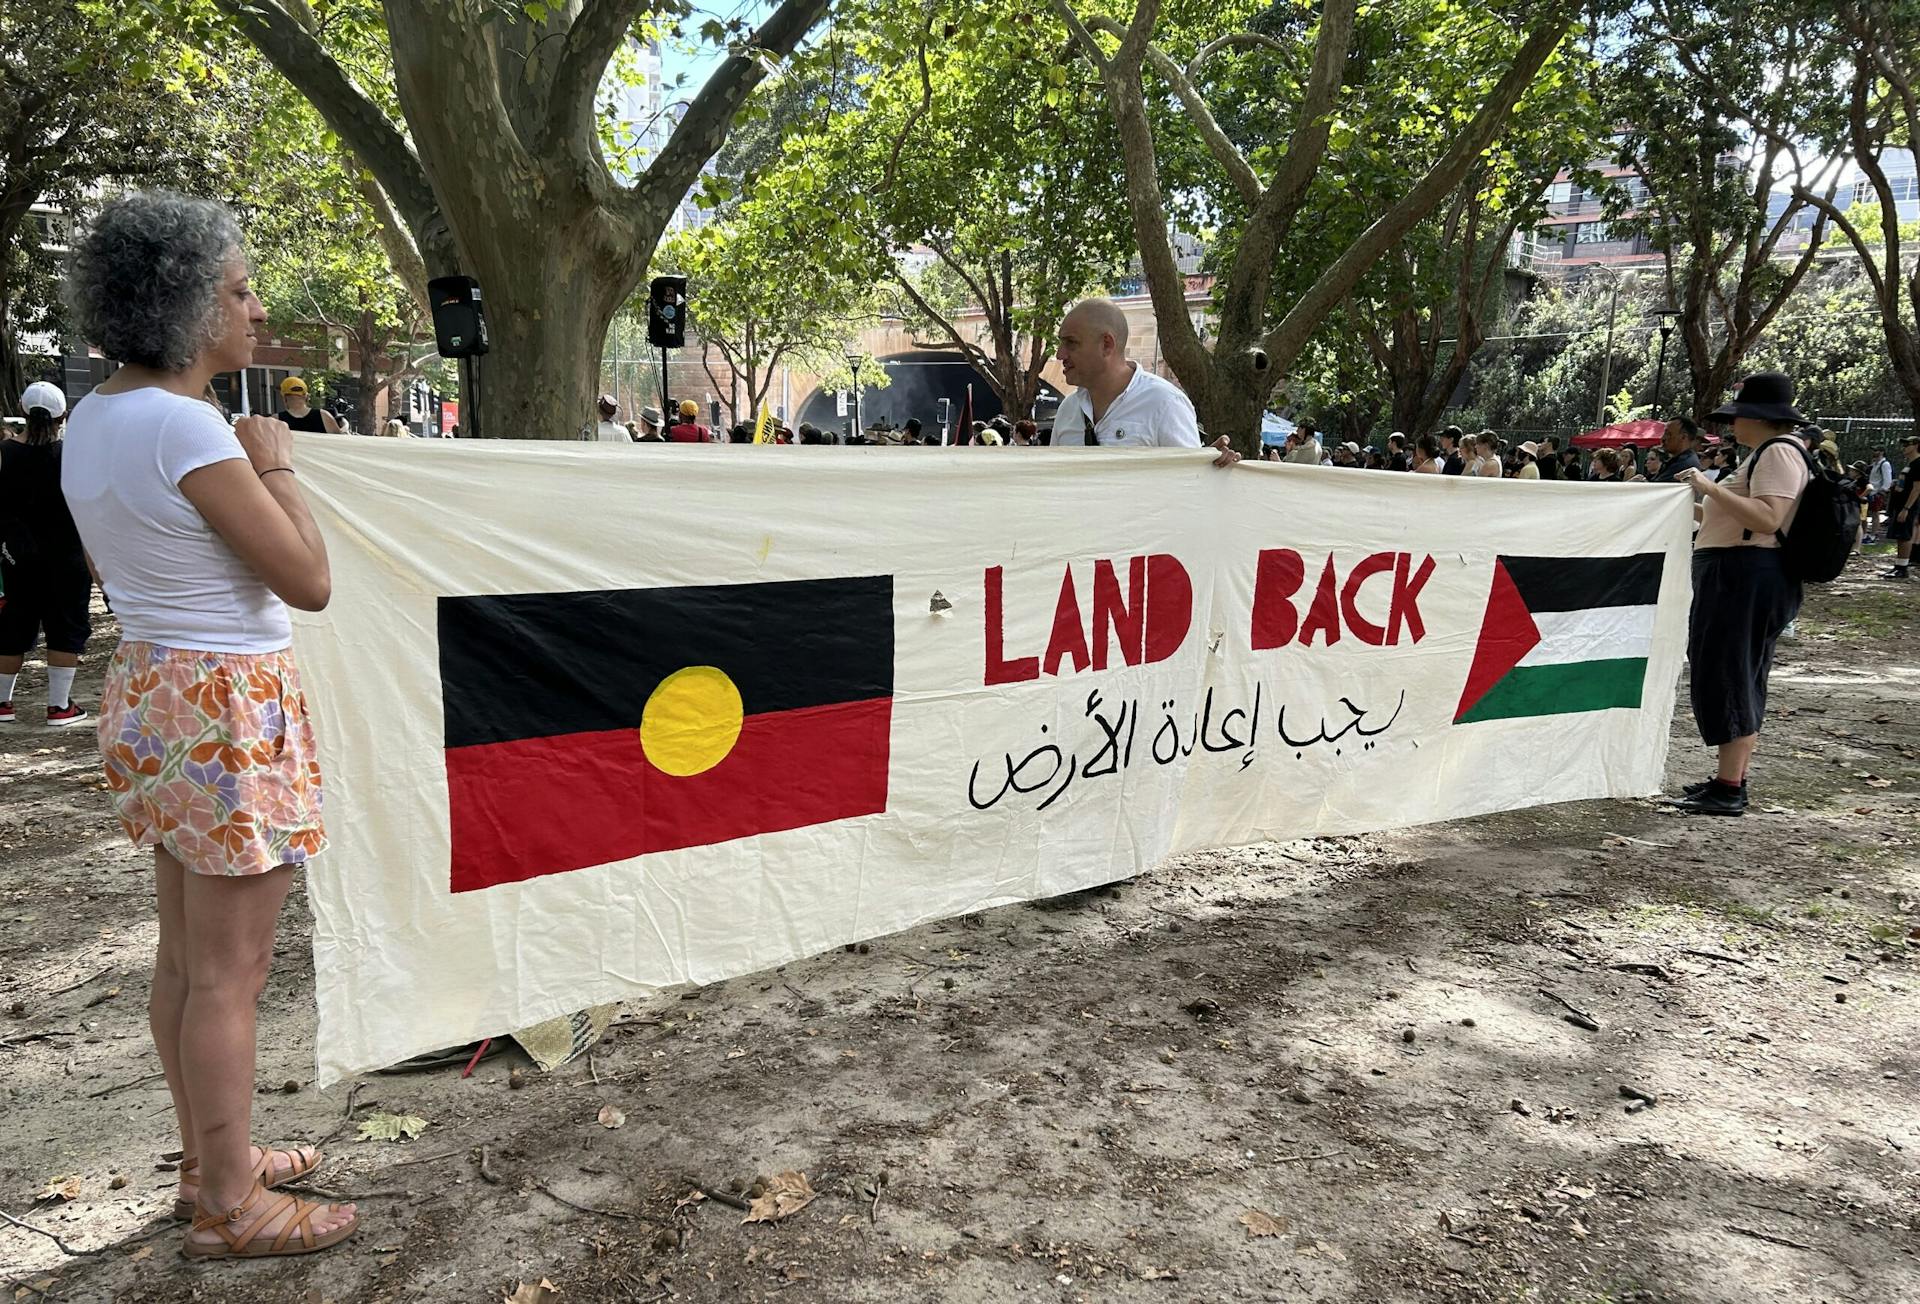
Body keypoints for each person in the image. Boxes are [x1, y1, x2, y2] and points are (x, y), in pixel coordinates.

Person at [60, 190, 358, 1258]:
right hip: (228, 699)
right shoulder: (189, 425)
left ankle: (210, 1158)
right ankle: (232, 1204)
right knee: (231, 971)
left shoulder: (93, 415)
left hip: (151, 685)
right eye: (237, 289)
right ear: (186, 307)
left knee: (186, 960)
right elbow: (308, 577)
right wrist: (274, 462)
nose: (253, 305)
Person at [1672, 372, 1814, 815]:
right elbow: (1730, 516)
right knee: (1735, 670)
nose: (1732, 425)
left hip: (1745, 574)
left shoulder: (1778, 454)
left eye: (1737, 416)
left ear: (1758, 417)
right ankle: (1728, 779)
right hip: (1739, 571)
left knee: (1730, 671)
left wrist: (1707, 486)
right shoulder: (1768, 455)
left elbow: (1769, 518)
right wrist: (1687, 504)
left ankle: (1730, 786)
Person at [0, 381, 93, 726]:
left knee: (11, 627)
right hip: (67, 556)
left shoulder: (4, 453)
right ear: (62, 416)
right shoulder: (73, 455)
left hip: (15, 556)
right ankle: (59, 706)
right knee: (65, 625)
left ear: (23, 412)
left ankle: (2, 704)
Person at [1049, 298, 1235, 465]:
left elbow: (1190, 483)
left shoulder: (1164, 403)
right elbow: (1052, 481)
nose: (1060, 354)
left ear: (1107, 344)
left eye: (1071, 343)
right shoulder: (1068, 409)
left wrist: (1208, 468)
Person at [1882, 435, 1920, 581]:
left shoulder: (1918, 463)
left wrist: (1906, 508)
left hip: (1907, 506)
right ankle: (1898, 566)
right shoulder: (1909, 464)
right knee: (1899, 535)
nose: (1904, 448)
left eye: (1907, 445)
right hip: (1899, 504)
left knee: (1905, 536)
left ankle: (1903, 569)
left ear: (1916, 445)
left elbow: (1917, 489)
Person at [272, 376, 340, 433]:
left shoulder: (275, 421)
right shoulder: (324, 416)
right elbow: (341, 444)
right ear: (306, 397)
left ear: (284, 398)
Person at [1650, 417, 1700, 483]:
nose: (1663, 438)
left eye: (1668, 434)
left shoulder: (1684, 464)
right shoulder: (1679, 460)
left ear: (1683, 437)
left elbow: (1656, 489)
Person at [1867, 446, 1894, 538]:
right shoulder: (1875, 464)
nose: (1874, 452)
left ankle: (1874, 535)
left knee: (1875, 514)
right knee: (1871, 513)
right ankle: (1869, 533)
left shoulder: (1885, 464)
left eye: (1876, 450)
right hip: (1871, 492)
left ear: (1882, 452)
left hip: (1877, 493)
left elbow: (1887, 480)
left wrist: (1882, 491)